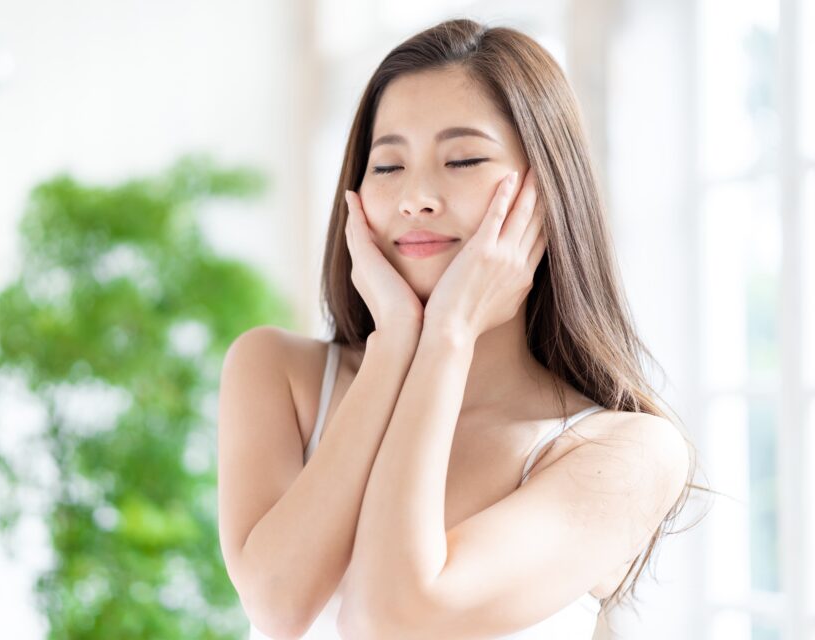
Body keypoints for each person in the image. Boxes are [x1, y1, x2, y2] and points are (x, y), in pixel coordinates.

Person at [217, 18, 698, 640]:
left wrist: (448, 337)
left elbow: (392, 620)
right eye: (387, 166)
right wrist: (393, 347)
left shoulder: (623, 452)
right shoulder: (278, 373)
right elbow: (278, 609)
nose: (416, 196)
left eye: (462, 159)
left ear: (546, 195)